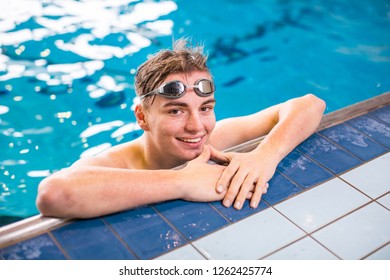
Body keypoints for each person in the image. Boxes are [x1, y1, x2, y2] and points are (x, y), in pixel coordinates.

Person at [36, 39, 326, 219]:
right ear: (142, 117)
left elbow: (310, 104)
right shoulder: (115, 165)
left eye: (205, 108)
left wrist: (265, 157)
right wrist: (182, 183)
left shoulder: (217, 137)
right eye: (176, 110)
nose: (196, 127)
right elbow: (54, 194)